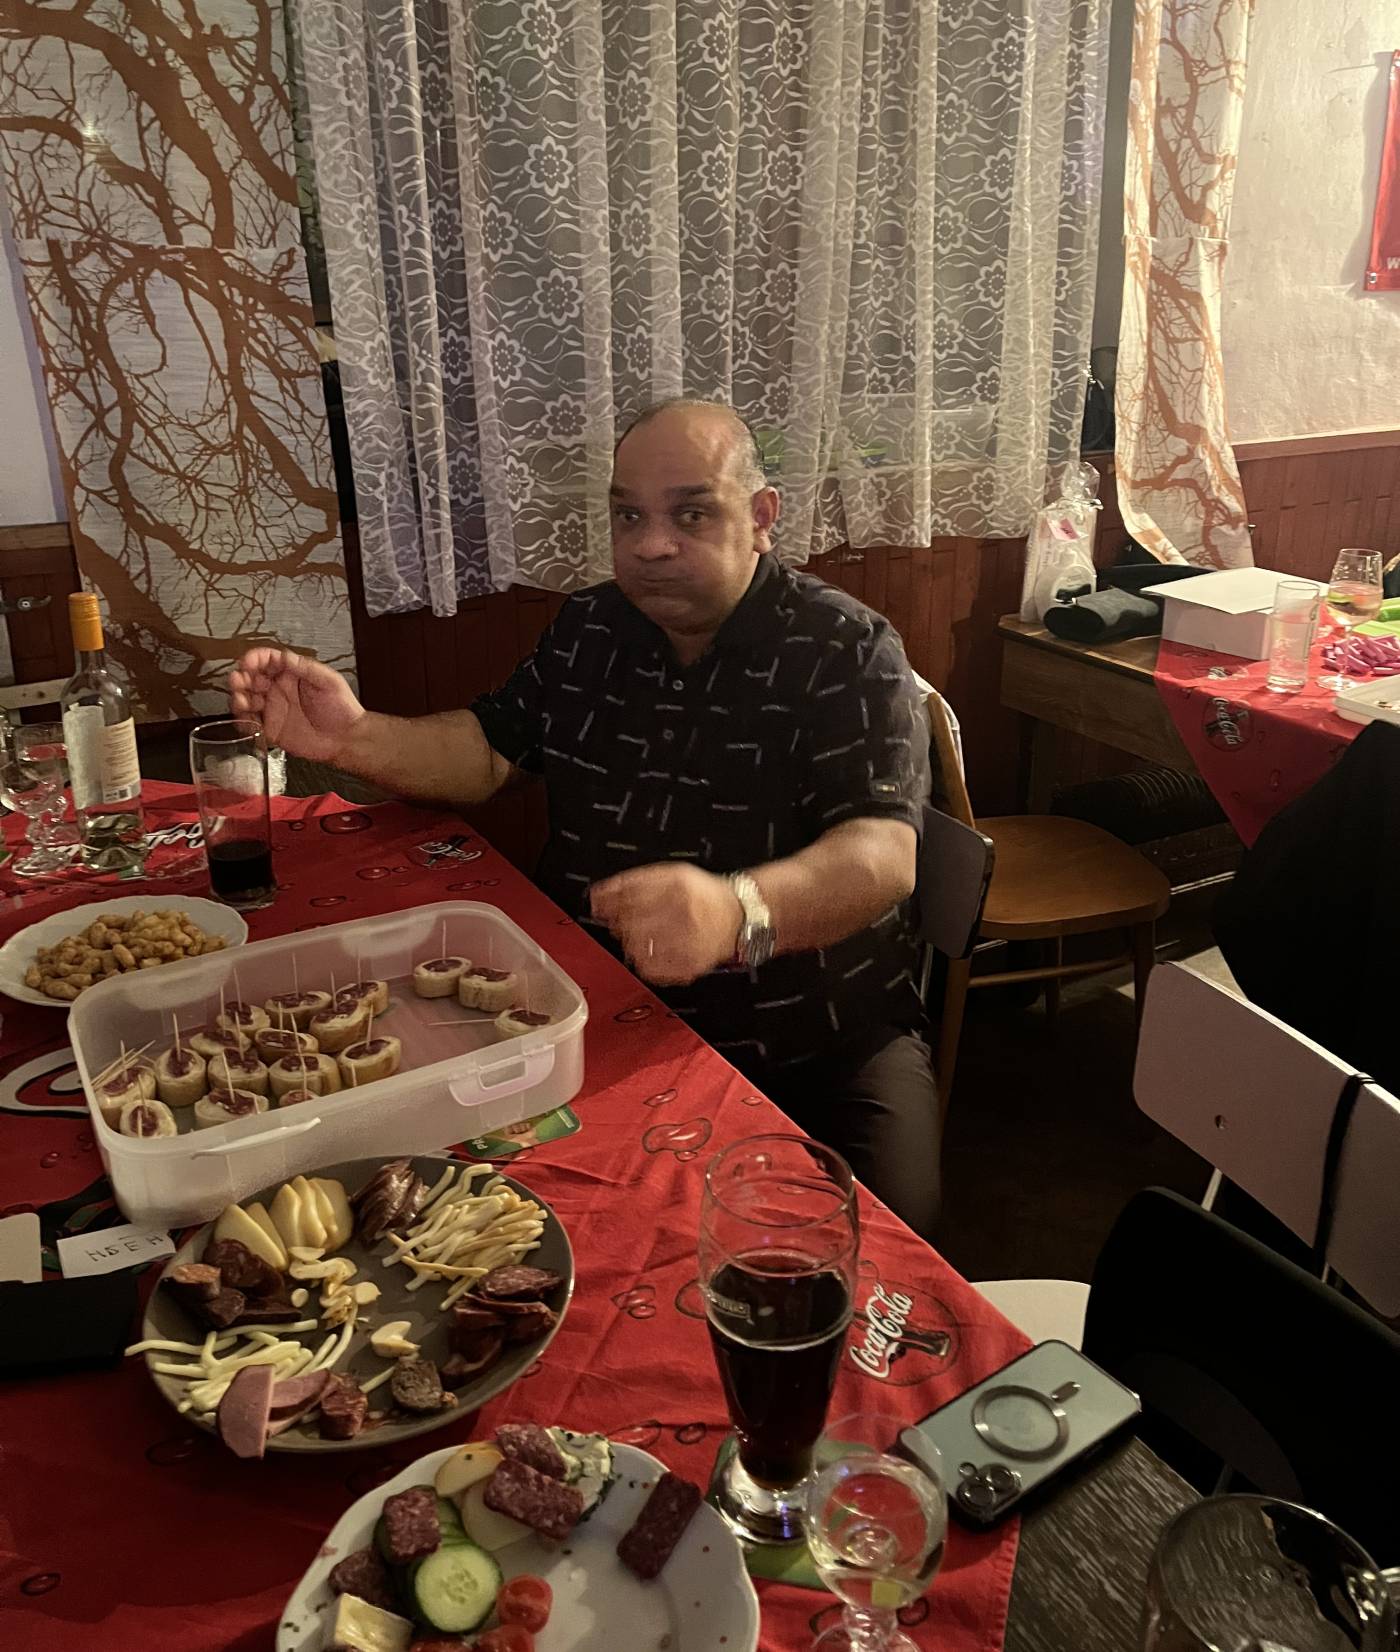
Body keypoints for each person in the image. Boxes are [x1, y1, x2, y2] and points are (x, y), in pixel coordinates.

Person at [230, 400, 941, 1234]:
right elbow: (487, 751)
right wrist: (354, 736)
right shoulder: (590, 626)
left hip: (814, 1039)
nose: (651, 544)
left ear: (761, 516)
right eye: (628, 515)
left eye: (691, 513)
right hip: (585, 1010)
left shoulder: (845, 647)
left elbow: (882, 854)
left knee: (881, 1257)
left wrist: (736, 912)